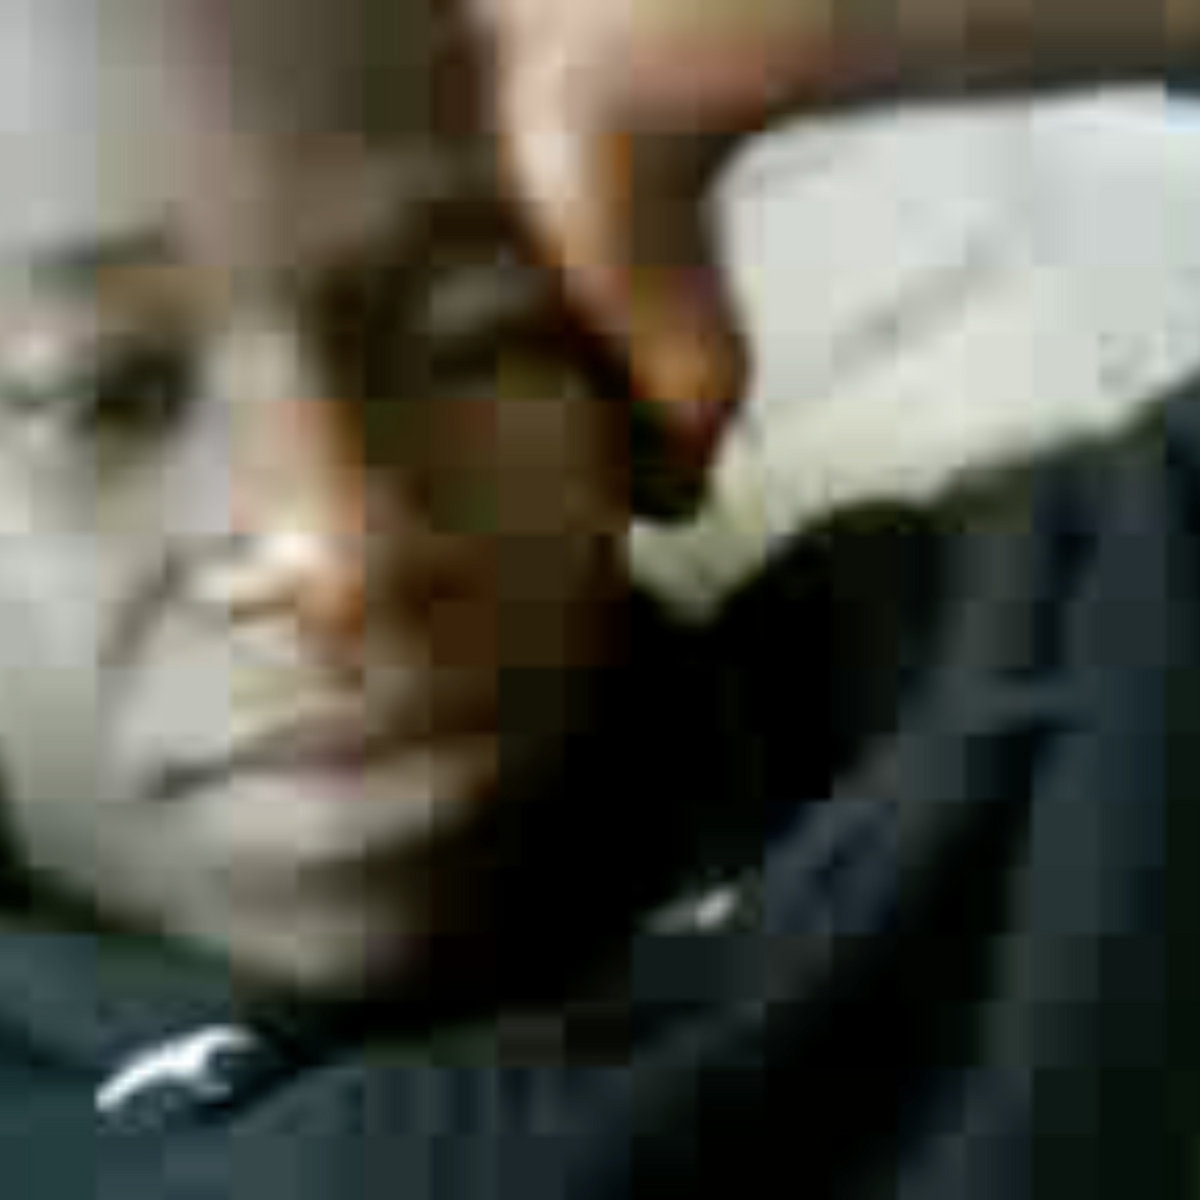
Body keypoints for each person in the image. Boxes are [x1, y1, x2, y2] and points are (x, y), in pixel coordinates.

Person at [0, 0, 1190, 1196]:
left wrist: (823, 25)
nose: (340, 546)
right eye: (99, 395)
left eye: (472, 333)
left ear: (643, 382)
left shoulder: (1053, 696)